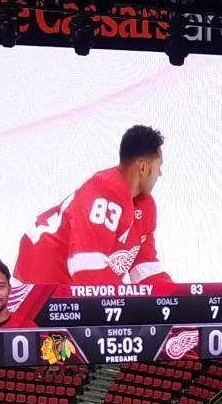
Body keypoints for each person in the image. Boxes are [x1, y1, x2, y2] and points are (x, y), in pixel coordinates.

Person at [14, 124, 175, 295]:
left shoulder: (145, 207)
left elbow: (145, 268)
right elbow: (87, 270)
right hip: (35, 289)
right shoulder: (103, 195)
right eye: (159, 166)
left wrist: (180, 309)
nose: (160, 174)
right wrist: (127, 307)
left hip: (66, 295)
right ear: (143, 168)